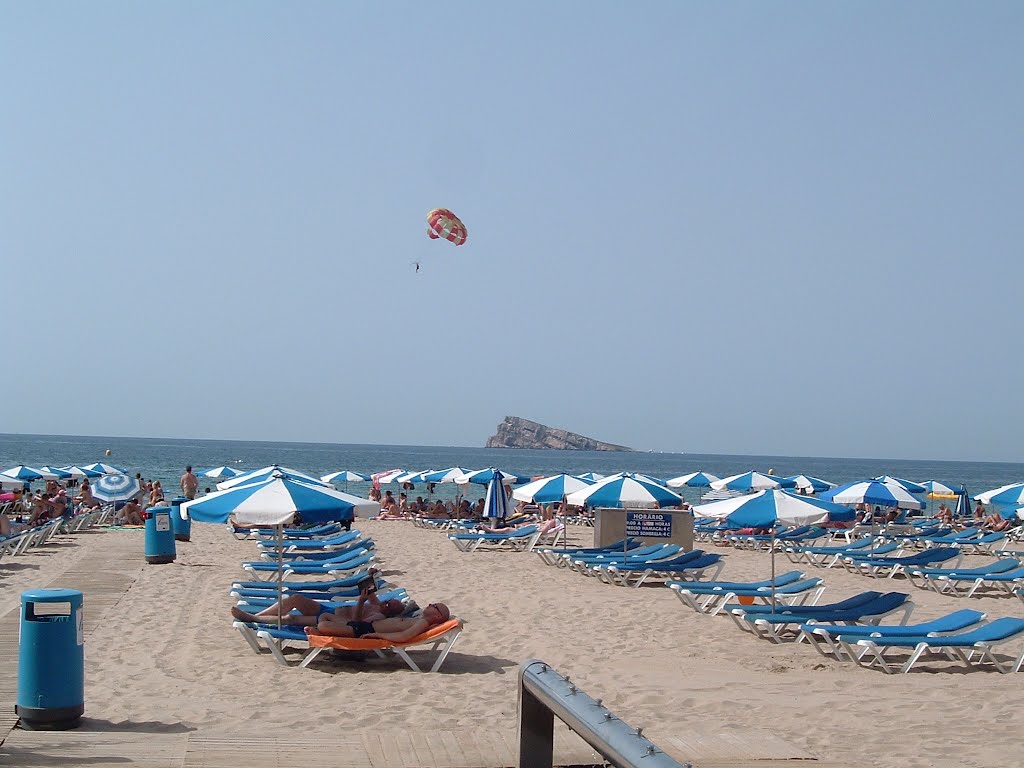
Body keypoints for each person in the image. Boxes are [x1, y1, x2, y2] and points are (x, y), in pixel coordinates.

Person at [231, 592, 405, 627]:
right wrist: (370, 575)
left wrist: (360, 602)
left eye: (390, 605)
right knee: (295, 598)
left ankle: (254, 619)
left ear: (391, 613)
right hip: (328, 608)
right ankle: (253, 615)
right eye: (389, 600)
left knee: (291, 618)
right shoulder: (377, 604)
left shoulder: (379, 616)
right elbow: (369, 589)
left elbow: (358, 624)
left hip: (331, 620)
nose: (386, 603)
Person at [316, 601, 451, 641]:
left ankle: (319, 633)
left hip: (365, 631)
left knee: (323, 625)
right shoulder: (418, 619)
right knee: (326, 616)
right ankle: (319, 632)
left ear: (438, 616)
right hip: (365, 625)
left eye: (434, 606)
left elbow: (403, 636)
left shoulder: (422, 623)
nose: (430, 604)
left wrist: (377, 635)